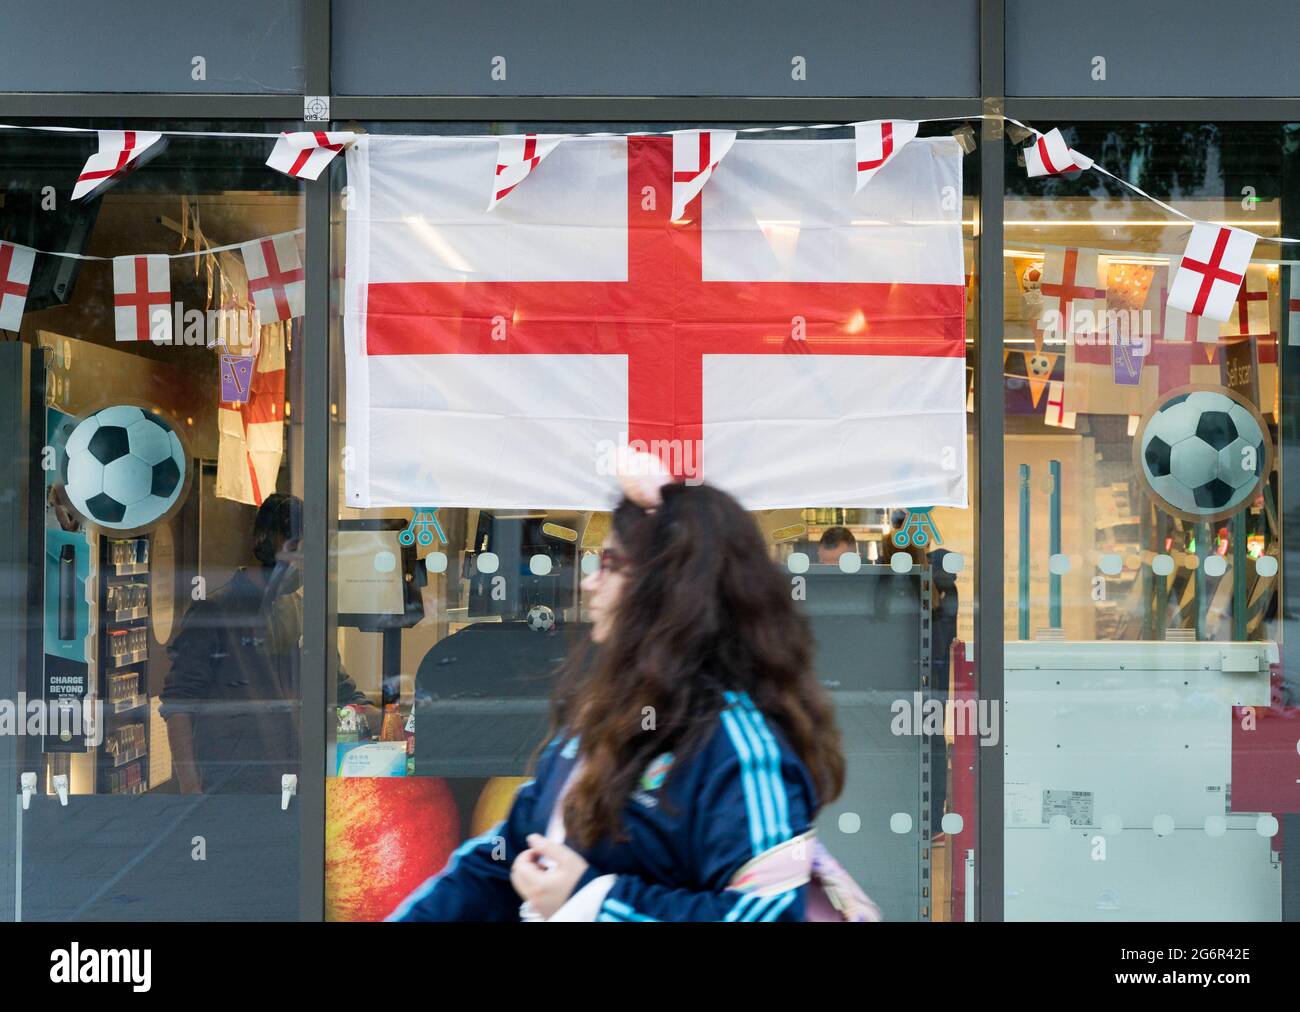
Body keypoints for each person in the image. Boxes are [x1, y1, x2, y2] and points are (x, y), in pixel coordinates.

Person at [388, 459, 860, 922]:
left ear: (670, 591)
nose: (590, 584)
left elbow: (769, 914)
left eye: (610, 565)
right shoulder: (596, 728)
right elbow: (505, 859)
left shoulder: (741, 749)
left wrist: (591, 901)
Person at [161, 493, 379, 794]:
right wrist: (189, 787)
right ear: (268, 545)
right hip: (230, 789)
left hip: (295, 786)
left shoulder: (302, 611)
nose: (306, 565)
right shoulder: (215, 611)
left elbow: (341, 691)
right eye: (299, 552)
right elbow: (179, 704)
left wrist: (393, 722)